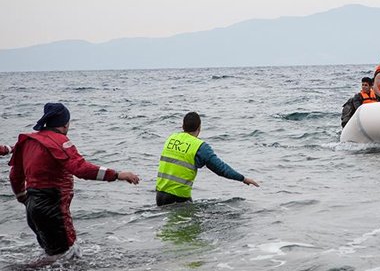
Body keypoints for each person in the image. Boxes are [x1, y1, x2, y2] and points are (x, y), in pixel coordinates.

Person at [8, 103, 140, 258]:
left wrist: (23, 197)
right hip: (52, 207)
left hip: (32, 208)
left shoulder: (27, 141)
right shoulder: (60, 142)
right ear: (65, 124)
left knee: (51, 254)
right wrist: (117, 175)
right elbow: (81, 169)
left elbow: (15, 175)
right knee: (67, 257)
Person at [156, 112, 259, 207]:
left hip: (160, 196)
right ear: (199, 128)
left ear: (182, 126)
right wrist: (243, 178)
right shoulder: (200, 147)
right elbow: (221, 169)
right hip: (178, 198)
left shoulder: (171, 138)